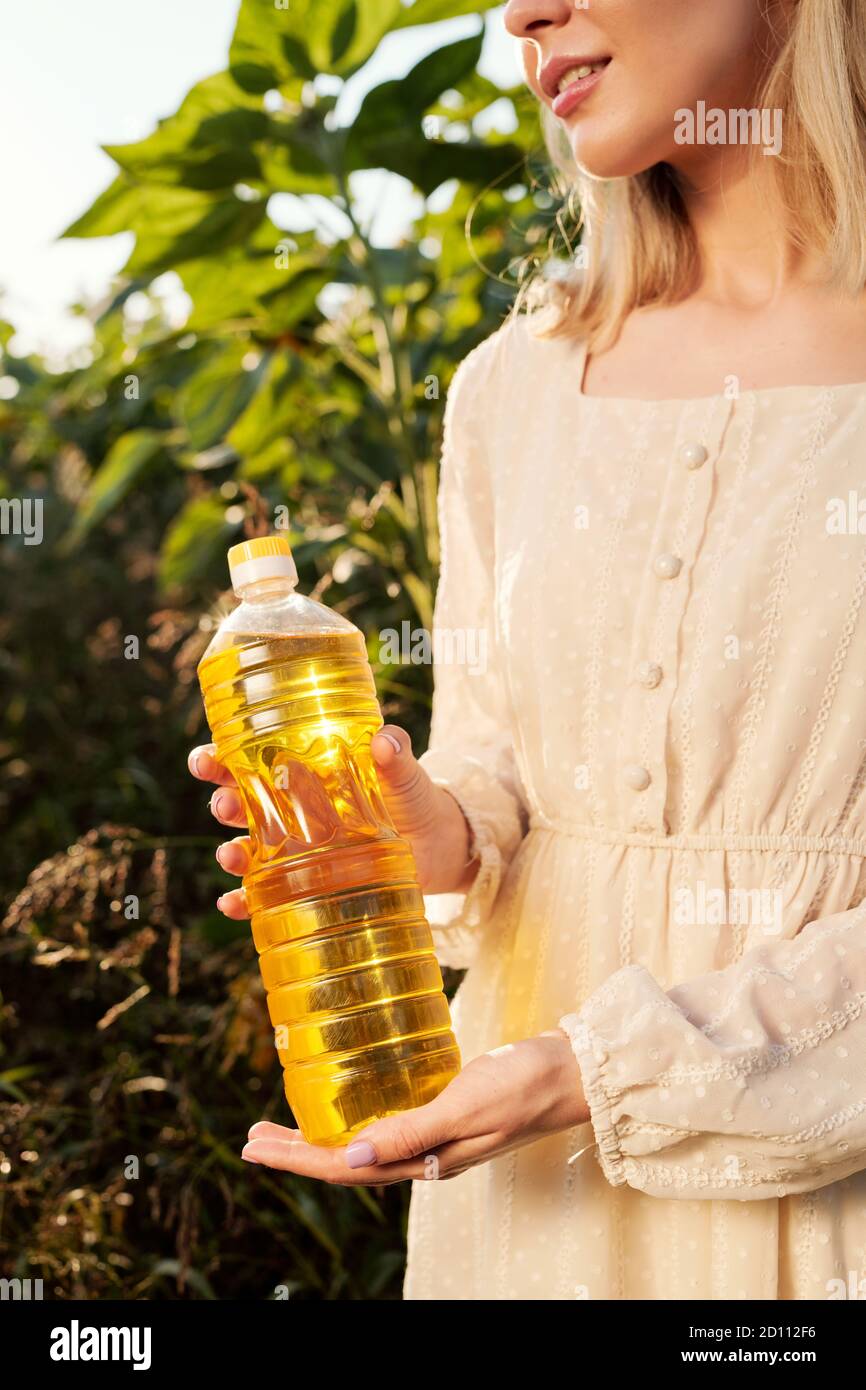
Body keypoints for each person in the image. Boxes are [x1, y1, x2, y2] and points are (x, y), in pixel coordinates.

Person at [189, 0, 866, 1299]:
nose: (521, 12)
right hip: (532, 1221)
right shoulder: (516, 383)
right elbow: (500, 767)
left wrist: (593, 1067)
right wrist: (421, 831)